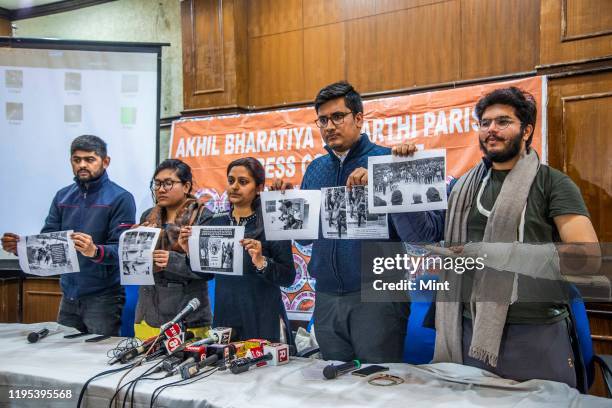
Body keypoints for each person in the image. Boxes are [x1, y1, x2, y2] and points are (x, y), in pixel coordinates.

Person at [431, 87, 600, 388]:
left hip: (535, 335)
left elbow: (588, 260)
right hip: (471, 333)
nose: (491, 130)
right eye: (485, 123)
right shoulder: (462, 188)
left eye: (503, 122)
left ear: (527, 130)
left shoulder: (553, 183)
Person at [272, 81, 444, 362]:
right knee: (336, 385)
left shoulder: (387, 159)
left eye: (337, 117)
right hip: (327, 295)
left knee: (378, 383)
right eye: (323, 120)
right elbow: (304, 239)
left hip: (378, 294)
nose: (329, 126)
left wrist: (384, 179)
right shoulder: (315, 169)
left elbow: (418, 233)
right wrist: (288, 204)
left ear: (359, 118)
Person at [2, 135, 136, 335]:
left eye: (90, 159)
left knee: (98, 359)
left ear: (105, 162)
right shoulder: (62, 196)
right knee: (63, 358)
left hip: (104, 297)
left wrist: (94, 251)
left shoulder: (121, 198)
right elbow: (47, 240)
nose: (82, 165)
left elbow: (124, 251)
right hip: (68, 295)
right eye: (77, 159)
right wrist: (20, 249)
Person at [180, 157, 296, 342]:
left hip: (263, 318)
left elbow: (288, 277)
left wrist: (262, 262)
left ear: (258, 187)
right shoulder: (217, 222)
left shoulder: (272, 222)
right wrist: (190, 252)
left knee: (263, 370)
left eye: (243, 182)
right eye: (231, 180)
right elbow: (206, 275)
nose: (234, 186)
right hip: (226, 318)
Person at [132, 159, 213, 340]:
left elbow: (208, 271)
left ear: (186, 186)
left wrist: (172, 260)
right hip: (147, 315)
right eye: (157, 183)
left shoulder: (202, 217)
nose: (160, 189)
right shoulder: (148, 217)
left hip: (187, 317)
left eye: (168, 183)